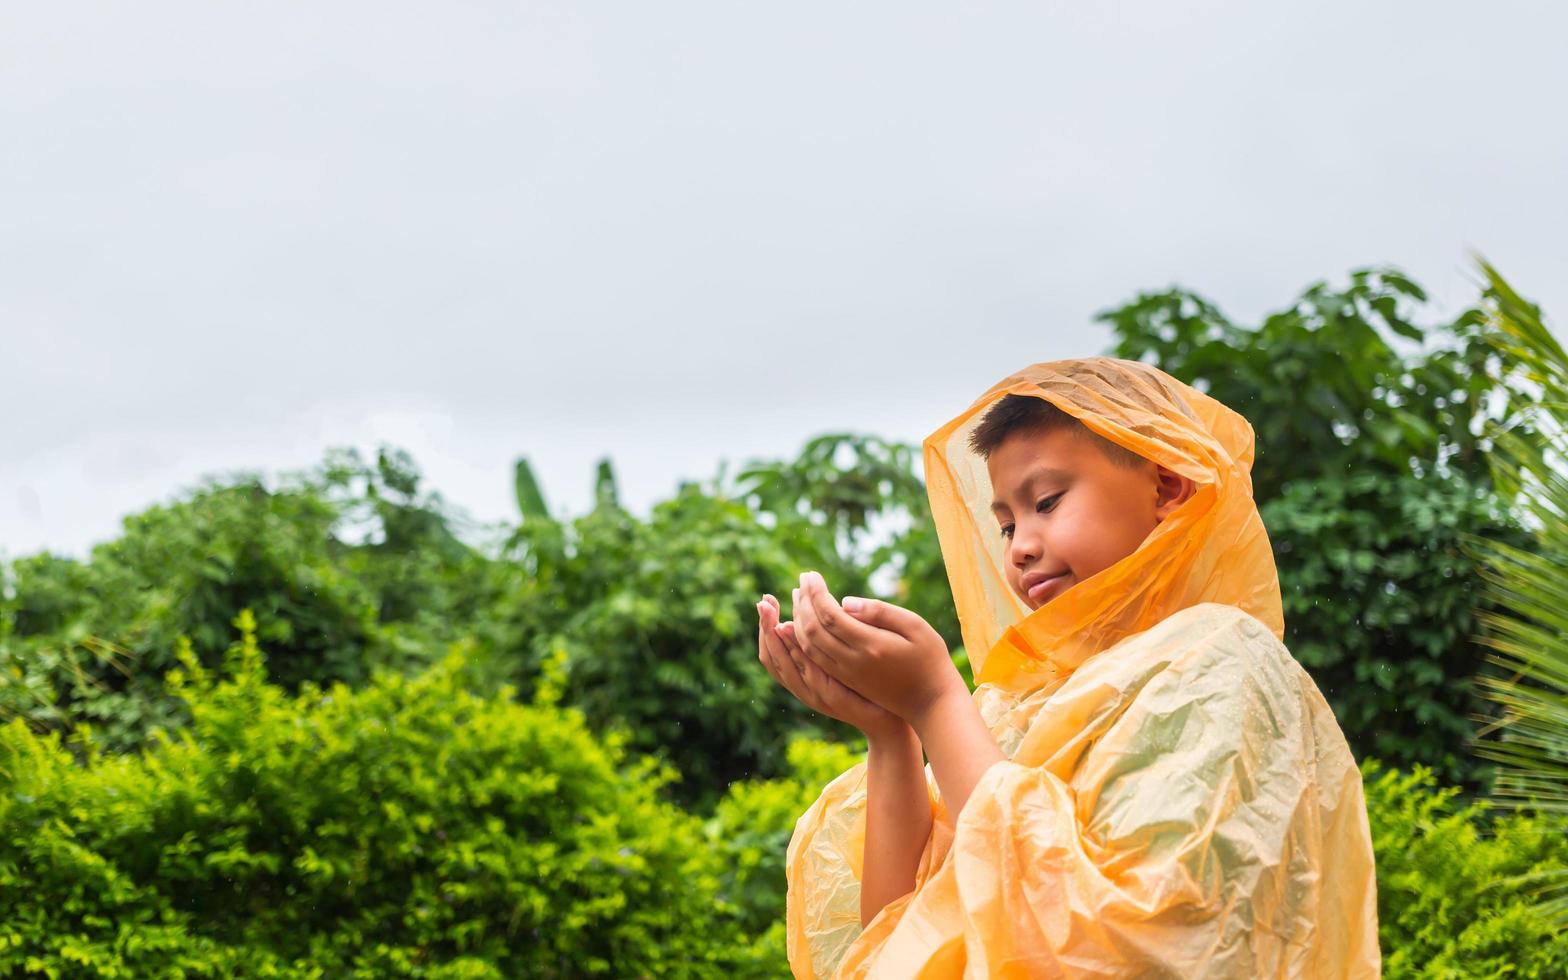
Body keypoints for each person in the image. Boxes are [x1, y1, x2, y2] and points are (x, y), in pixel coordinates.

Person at [755, 357, 1380, 978]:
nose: (1020, 545)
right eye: (1005, 524)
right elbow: (898, 937)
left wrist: (938, 701)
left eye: (1047, 502)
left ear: (1167, 487)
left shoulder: (1222, 663)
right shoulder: (1018, 704)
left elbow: (1119, 946)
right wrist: (892, 731)